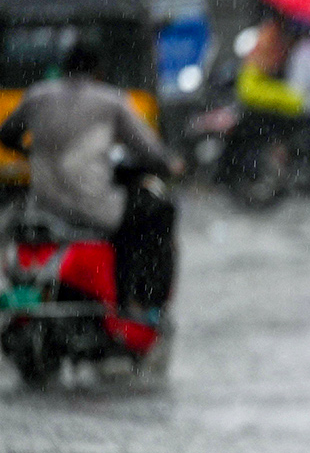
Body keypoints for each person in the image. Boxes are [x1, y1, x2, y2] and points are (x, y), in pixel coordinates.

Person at [0, 43, 183, 321]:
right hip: (92, 206)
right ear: (98, 71)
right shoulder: (109, 99)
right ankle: (137, 300)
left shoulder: (37, 96)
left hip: (43, 205)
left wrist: (31, 153)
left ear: (63, 70)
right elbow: (147, 149)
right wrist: (170, 164)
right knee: (157, 214)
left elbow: (7, 134)